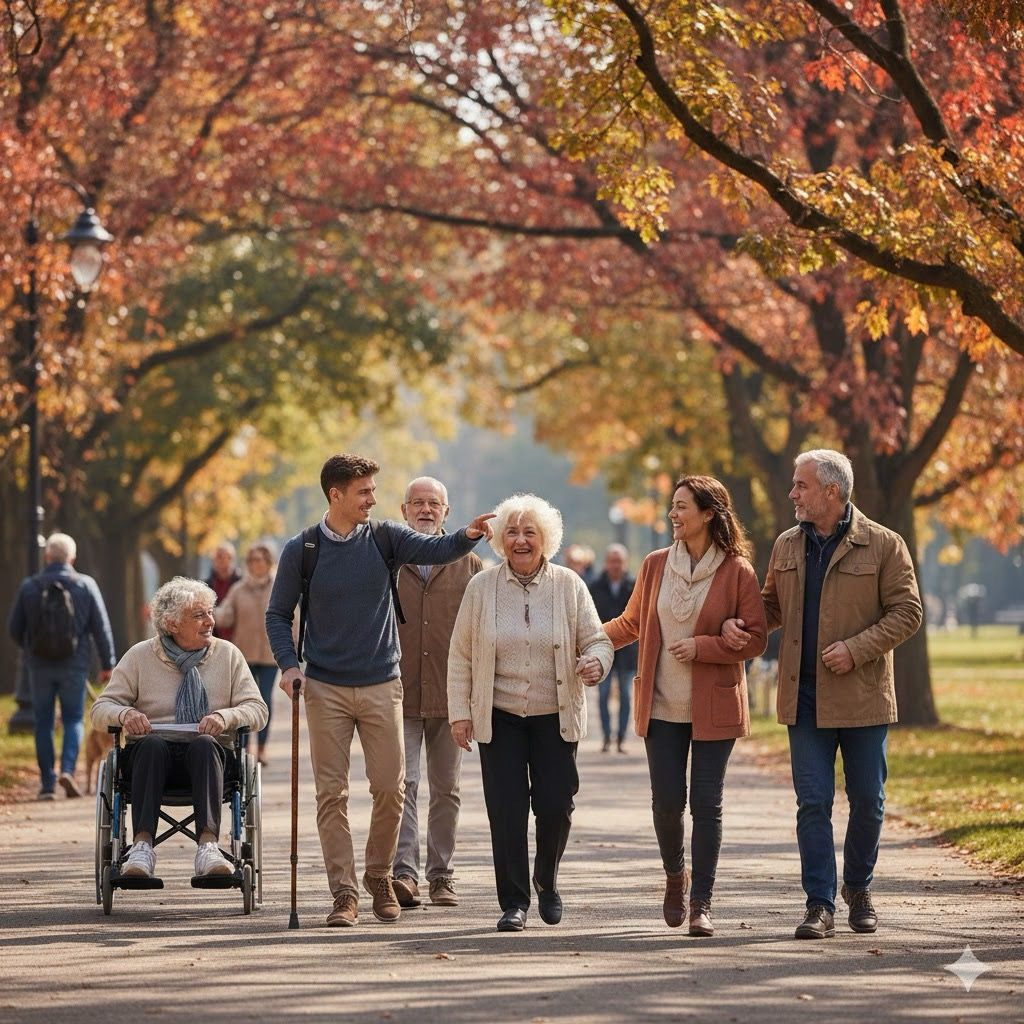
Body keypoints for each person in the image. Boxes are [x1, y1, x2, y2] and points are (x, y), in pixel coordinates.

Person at [265, 453, 494, 929]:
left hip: (382, 684)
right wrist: (289, 666)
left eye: (373, 490)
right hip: (324, 686)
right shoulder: (302, 548)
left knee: (391, 790)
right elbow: (277, 613)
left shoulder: (387, 537)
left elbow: (437, 550)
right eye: (364, 491)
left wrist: (468, 535)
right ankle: (344, 893)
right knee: (331, 795)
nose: (373, 498)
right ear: (336, 495)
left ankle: (379, 874)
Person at [723, 450, 922, 940]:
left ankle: (858, 887)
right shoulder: (787, 545)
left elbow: (908, 612)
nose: (792, 494)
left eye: (801, 485)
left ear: (832, 491)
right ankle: (819, 905)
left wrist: (856, 649)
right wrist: (740, 624)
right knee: (812, 803)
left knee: (868, 802)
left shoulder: (884, 544)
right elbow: (770, 606)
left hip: (863, 697)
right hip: (803, 698)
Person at [603, 476, 766, 937]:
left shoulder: (737, 571)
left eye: (681, 507)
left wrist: (706, 646)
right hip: (661, 706)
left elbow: (755, 637)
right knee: (667, 804)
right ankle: (676, 875)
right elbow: (631, 623)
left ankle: (701, 904)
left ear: (709, 513)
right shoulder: (655, 565)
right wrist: (586, 639)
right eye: (672, 507)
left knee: (707, 804)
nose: (673, 515)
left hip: (714, 706)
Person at [448, 493, 612, 933]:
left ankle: (547, 878)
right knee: (506, 809)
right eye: (512, 533)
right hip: (499, 716)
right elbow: (461, 654)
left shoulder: (568, 585)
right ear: (500, 540)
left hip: (554, 713)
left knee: (557, 805)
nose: (521, 540)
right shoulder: (481, 587)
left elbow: (597, 639)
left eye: (530, 533)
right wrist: (459, 712)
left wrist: (596, 661)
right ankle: (514, 901)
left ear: (546, 540)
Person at [90, 577, 268, 879]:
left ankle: (208, 847)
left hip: (210, 764)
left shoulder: (227, 656)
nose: (210, 620)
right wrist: (125, 714)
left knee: (204, 743)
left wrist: (225, 717)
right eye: (199, 615)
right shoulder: (140, 656)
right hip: (151, 762)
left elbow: (257, 709)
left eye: (210, 612)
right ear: (172, 624)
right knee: (150, 745)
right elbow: (99, 710)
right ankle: (142, 848)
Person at [392, 476, 484, 910]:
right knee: (402, 784)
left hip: (452, 698)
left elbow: (484, 635)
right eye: (418, 503)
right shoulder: (388, 561)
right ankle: (404, 874)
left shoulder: (471, 566)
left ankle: (442, 875)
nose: (426, 510)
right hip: (398, 694)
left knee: (446, 788)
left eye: (434, 504)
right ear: (404, 509)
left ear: (446, 512)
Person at [7, 532, 116, 800]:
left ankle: (47, 784)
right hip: (74, 664)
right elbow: (100, 627)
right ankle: (67, 769)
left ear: (47, 556)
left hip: (39, 666)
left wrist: (31, 649)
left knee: (43, 721)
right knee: (72, 718)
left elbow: (14, 628)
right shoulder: (85, 585)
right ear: (72, 557)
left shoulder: (29, 586)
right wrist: (107, 663)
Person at [213, 541, 281, 765]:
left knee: (264, 700)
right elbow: (226, 615)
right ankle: (242, 749)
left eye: (258, 560)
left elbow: (294, 619)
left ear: (268, 562)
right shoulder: (239, 589)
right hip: (244, 655)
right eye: (250, 560)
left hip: (271, 655)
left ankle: (261, 749)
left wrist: (295, 645)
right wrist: (207, 612)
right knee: (242, 703)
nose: (254, 564)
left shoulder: (279, 587)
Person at [588, 543, 638, 753]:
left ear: (624, 563)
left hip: (628, 652)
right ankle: (607, 736)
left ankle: (621, 738)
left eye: (618, 561)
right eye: (611, 560)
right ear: (606, 562)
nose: (615, 565)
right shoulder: (595, 586)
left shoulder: (634, 585)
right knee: (603, 693)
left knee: (626, 695)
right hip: (603, 648)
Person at [205, 542, 240, 642]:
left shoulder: (242, 583)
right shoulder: (206, 585)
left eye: (222, 557)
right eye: (216, 557)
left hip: (238, 638)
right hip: (214, 637)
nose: (219, 561)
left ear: (231, 559)